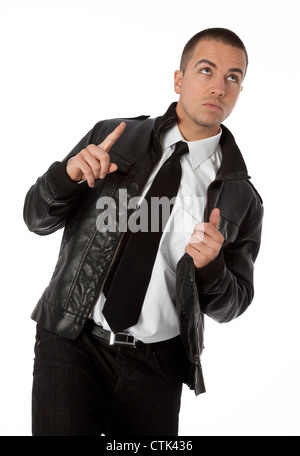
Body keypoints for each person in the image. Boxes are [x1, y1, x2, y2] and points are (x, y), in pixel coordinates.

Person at [23, 27, 263, 436]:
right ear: (178, 79)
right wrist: (67, 176)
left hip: (158, 367)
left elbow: (233, 303)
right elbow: (35, 218)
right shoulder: (112, 137)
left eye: (233, 77)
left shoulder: (241, 195)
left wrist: (212, 269)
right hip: (73, 340)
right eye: (206, 70)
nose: (219, 87)